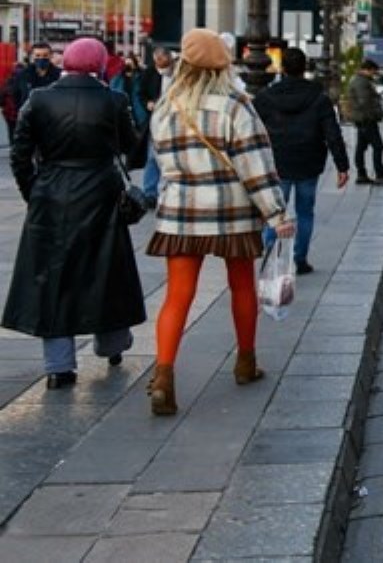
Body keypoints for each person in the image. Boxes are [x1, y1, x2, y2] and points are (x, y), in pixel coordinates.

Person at [144, 29, 294, 416]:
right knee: (241, 284)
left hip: (180, 213)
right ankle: (245, 362)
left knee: (178, 295)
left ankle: (163, 375)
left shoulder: (166, 106)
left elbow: (161, 163)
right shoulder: (235, 105)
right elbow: (255, 166)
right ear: (222, 66)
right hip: (231, 211)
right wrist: (276, 214)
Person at [2, 38, 145, 389]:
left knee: (53, 277)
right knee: (106, 270)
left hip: (52, 193)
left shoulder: (39, 99)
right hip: (101, 192)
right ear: (98, 64)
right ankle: (111, 343)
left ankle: (59, 367)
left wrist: (34, 192)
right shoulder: (114, 101)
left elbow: (20, 155)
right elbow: (132, 150)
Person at [253, 48, 351, 275]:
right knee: (305, 212)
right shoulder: (318, 97)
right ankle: (300, 259)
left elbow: (252, 129)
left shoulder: (266, 97)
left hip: (277, 162)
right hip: (309, 162)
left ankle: (270, 255)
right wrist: (342, 166)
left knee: (275, 211)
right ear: (304, 67)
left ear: (283, 68)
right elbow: (332, 132)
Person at [344, 58, 383, 186]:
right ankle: (379, 176)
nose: (374, 74)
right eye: (373, 71)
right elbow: (364, 103)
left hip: (362, 118)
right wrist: (376, 115)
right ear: (367, 70)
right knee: (378, 146)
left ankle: (362, 175)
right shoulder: (362, 82)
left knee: (361, 147)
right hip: (366, 119)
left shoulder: (360, 80)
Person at [137, 45, 175, 205]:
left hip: (173, 117)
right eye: (156, 60)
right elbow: (141, 93)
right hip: (155, 117)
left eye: (161, 59)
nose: (158, 63)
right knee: (152, 156)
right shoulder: (150, 73)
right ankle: (150, 192)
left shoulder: (178, 73)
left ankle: (165, 190)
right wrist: (148, 104)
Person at [5, 42, 61, 143]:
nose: (41, 59)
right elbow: (16, 95)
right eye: (38, 55)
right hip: (29, 122)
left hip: (52, 123)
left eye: (45, 55)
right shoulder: (23, 75)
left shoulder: (59, 76)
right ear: (32, 57)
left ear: (50, 56)